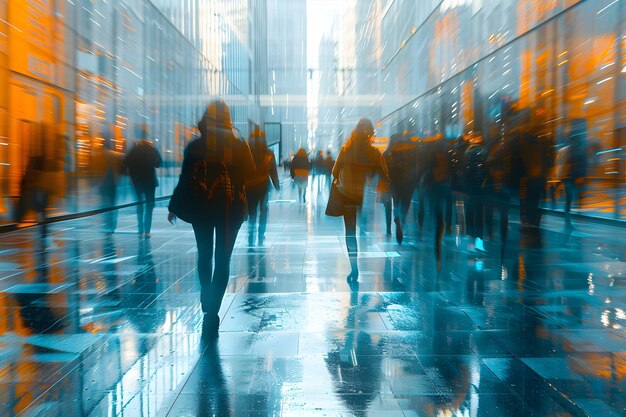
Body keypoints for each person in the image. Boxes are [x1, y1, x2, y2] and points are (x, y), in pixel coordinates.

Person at [168, 100, 255, 331]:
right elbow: (250, 173)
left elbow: (186, 179)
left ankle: (206, 294)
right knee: (223, 258)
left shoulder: (196, 147)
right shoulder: (238, 144)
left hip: (202, 208)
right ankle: (213, 306)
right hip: (231, 208)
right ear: (227, 118)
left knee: (204, 254)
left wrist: (174, 206)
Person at [333, 119, 389, 282]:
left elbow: (335, 170)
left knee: (350, 233)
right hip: (364, 198)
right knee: (363, 228)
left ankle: (354, 268)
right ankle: (364, 226)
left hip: (346, 195)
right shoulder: (374, 153)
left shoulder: (346, 150)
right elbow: (384, 175)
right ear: (371, 134)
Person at [124, 128, 162, 238]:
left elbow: (126, 163)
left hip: (137, 181)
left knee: (139, 204)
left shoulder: (134, 149)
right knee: (149, 206)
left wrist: (132, 173)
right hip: (150, 181)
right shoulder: (152, 149)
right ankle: (147, 231)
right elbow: (159, 163)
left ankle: (140, 229)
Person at [247, 127, 280, 245]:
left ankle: (251, 233)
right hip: (263, 186)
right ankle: (261, 233)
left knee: (252, 211)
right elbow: (273, 171)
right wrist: (276, 185)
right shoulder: (269, 153)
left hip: (249, 186)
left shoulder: (247, 152)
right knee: (263, 210)